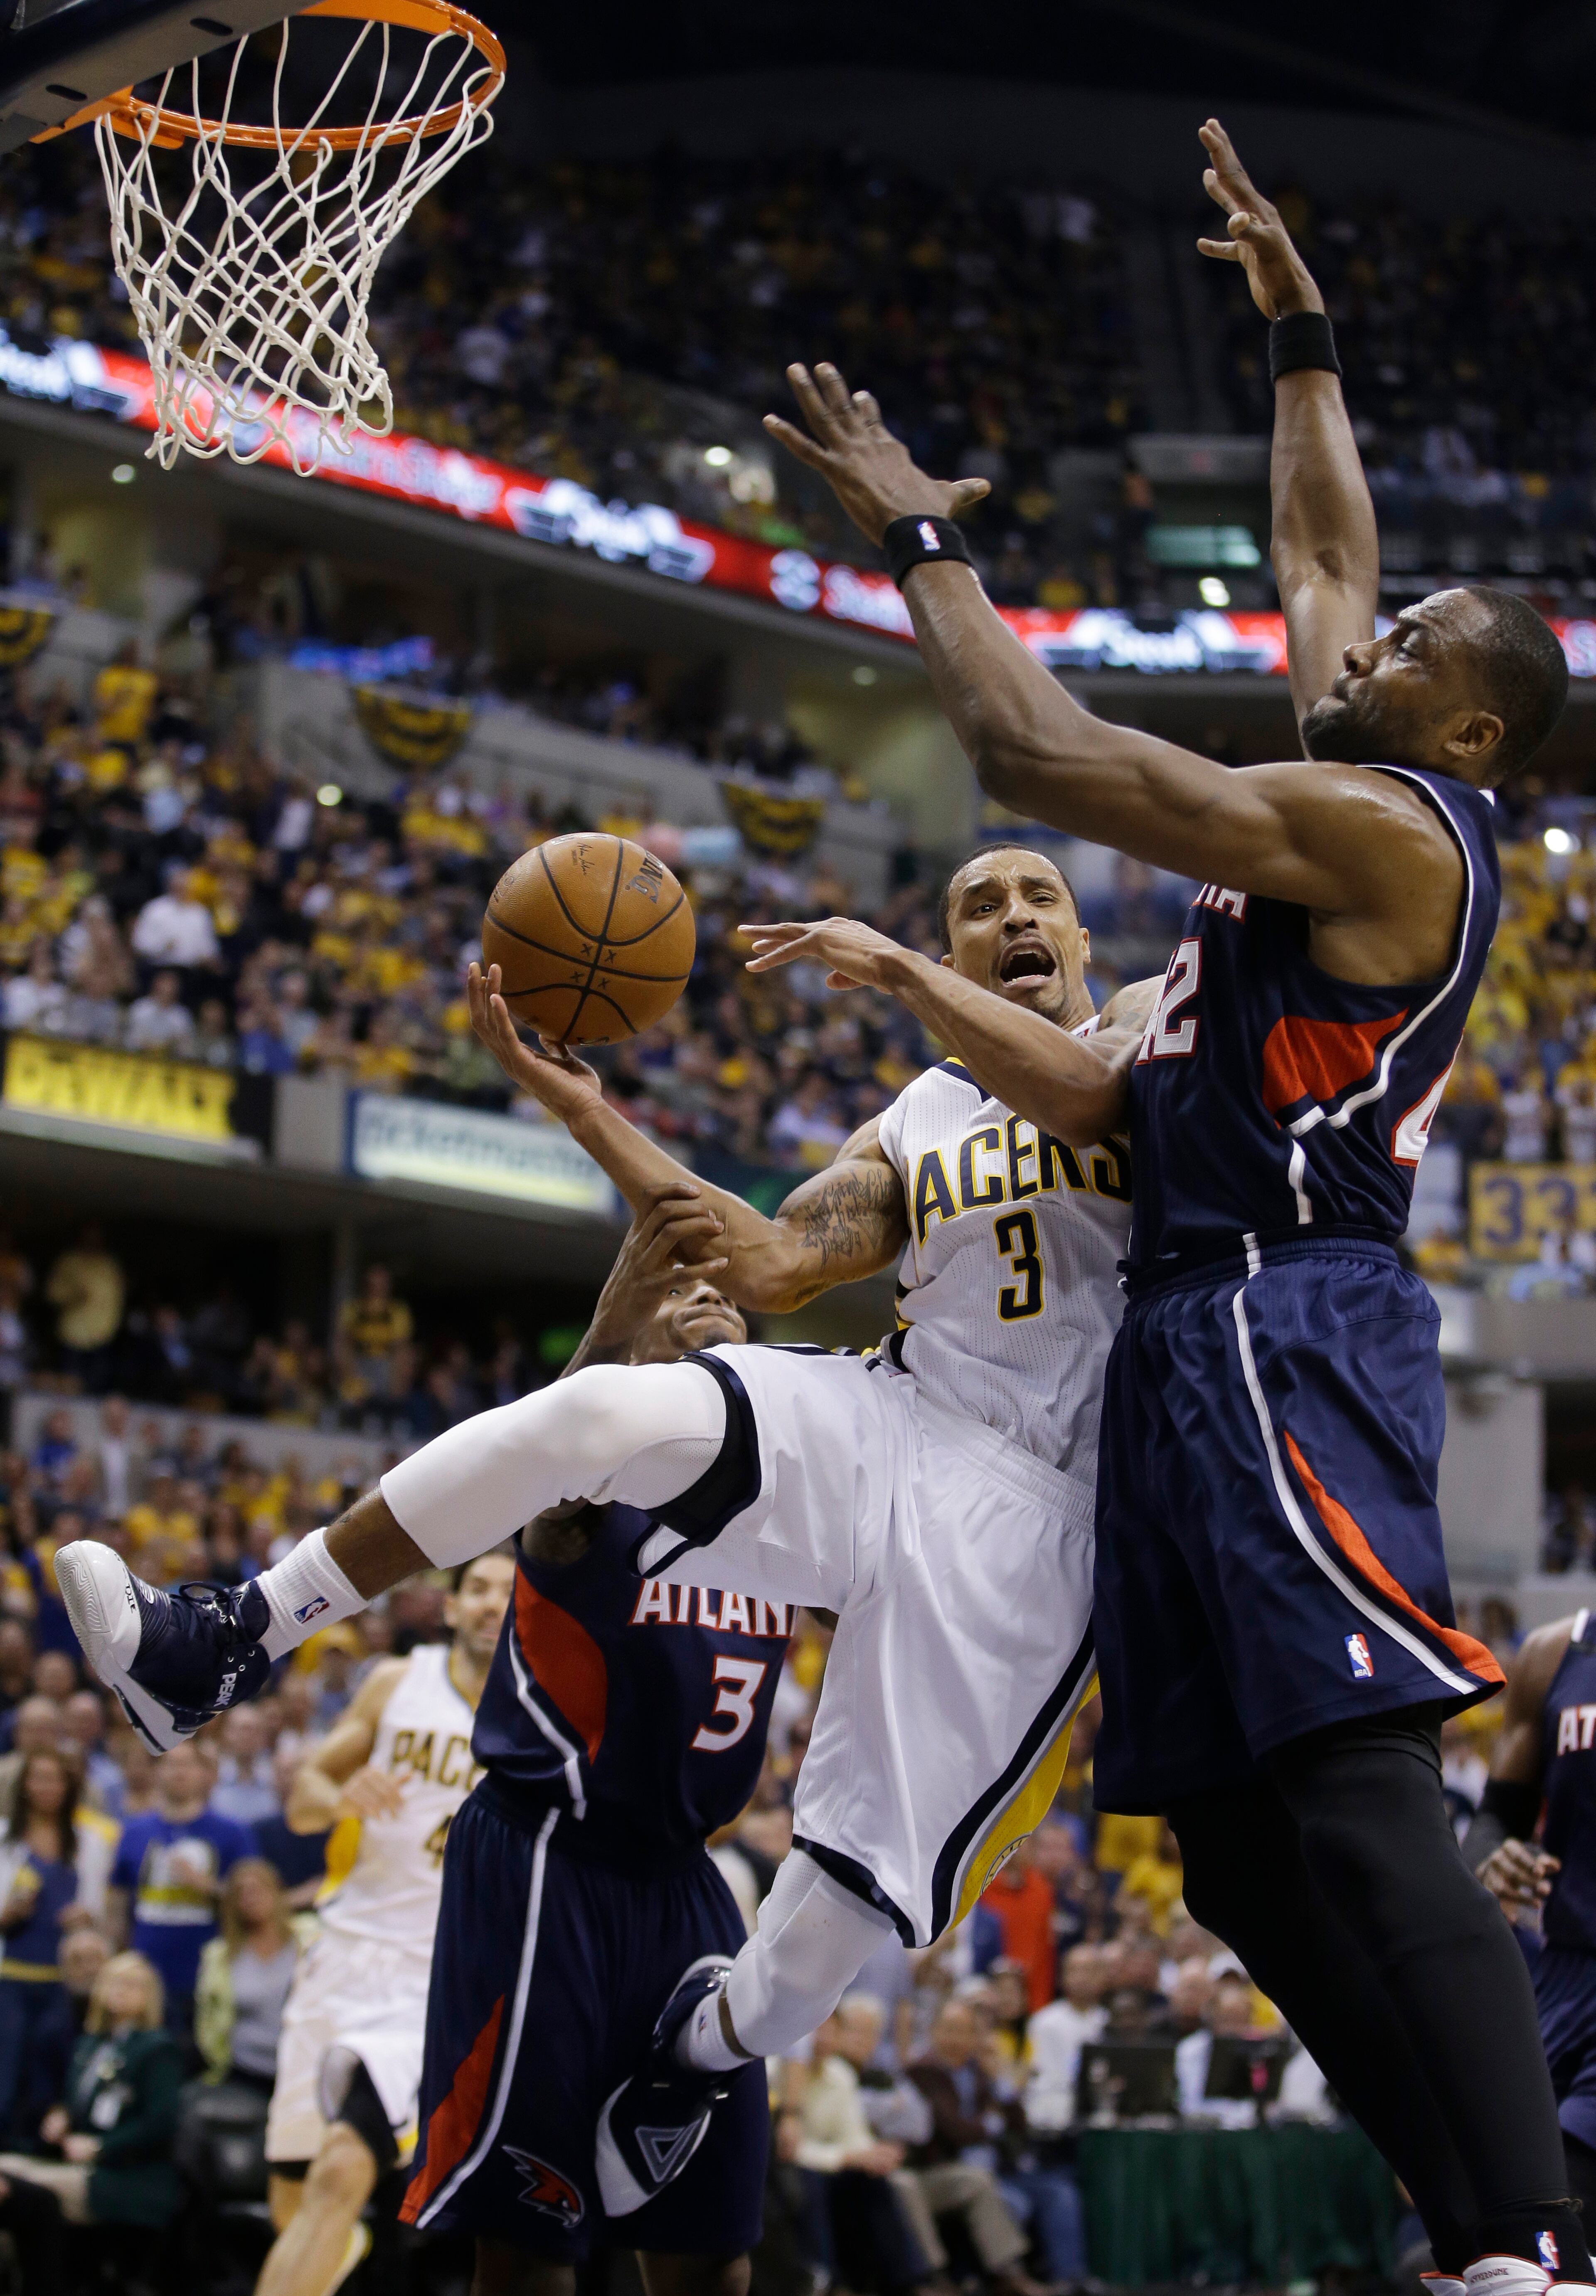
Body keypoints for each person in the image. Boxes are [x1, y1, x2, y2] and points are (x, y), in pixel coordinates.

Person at [747, 119, 1581, 2296]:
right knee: (1223, 1843)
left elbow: (1038, 758)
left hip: (1290, 1318)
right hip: (1186, 1337)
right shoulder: (1353, 780)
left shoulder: (1399, 833)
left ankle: (1535, 2240)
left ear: (1467, 721)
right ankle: (1481, 2229)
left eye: (1410, 645)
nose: (1362, 635)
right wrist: (1300, 332)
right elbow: (1325, 550)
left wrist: (930, 539)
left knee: (1359, 1778)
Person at [61, 845, 1160, 2213]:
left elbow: (1106, 1092)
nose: (1011, 919)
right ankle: (226, 1640)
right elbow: (764, 1262)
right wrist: (585, 1110)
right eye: (977, 906)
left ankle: (702, 2047)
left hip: (1043, 1515)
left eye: (1038, 898)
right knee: (600, 1414)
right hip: (903, 1418)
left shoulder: (1144, 1029)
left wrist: (892, 961)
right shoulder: (919, 1116)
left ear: (1079, 933)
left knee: (844, 1907)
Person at [399, 1201, 793, 2294]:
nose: (711, 1306)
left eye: (726, 1300)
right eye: (685, 1302)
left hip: (685, 1883)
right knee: (531, 2248)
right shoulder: (590, 1496)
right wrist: (626, 1310)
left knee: (713, 2252)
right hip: (545, 1864)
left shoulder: (789, 1513)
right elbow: (550, 1444)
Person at [256, 1549, 515, 2296]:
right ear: (453, 1606)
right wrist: (339, 1793)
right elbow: (304, 1795)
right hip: (341, 1950)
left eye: (508, 1591)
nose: (493, 1602)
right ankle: (339, 2255)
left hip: (438, 1973)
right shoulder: (400, 1681)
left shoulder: (544, 1706)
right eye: (479, 1589)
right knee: (298, 2196)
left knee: (343, 2168)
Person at [1463, 1607, 1596, 2220]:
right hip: (1562, 1980)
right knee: (1496, 2209)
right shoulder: (1551, 1655)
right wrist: (1494, 1858)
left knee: (1562, 2203)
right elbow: (1494, 1819)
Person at [0, 1949, 183, 2283]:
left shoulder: (158, 2049)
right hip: (76, 2163)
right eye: (114, 1983)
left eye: (132, 1985)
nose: (121, 1991)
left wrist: (100, 2147)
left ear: (150, 1995)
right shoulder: (91, 2044)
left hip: (128, 2178)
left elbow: (161, 2123)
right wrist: (62, 2116)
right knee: (6, 2170)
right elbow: (79, 2103)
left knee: (28, 2190)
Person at [902, 1997, 1080, 2290]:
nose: (955, 2039)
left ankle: (1070, 2279)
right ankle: (1007, 2276)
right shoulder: (924, 2071)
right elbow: (954, 2130)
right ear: (933, 2032)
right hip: (947, 2169)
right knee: (1006, 2199)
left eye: (963, 2031)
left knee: (1059, 2191)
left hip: (1002, 2169)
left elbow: (1020, 2125)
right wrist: (991, 2124)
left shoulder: (980, 2069)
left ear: (975, 2036)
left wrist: (1003, 2082)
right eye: (948, 2029)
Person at [108, 1734, 254, 2040]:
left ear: (206, 1774)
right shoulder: (135, 1831)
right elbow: (118, 1902)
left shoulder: (233, 1833)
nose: (179, 1773)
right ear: (157, 1772)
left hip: (209, 1974)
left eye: (188, 1765)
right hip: (147, 1974)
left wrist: (208, 1886)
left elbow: (254, 1900)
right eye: (171, 1765)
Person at [0, 1748, 86, 2141]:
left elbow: (103, 1907)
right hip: (11, 1978)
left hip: (64, 1983)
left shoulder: (88, 1840)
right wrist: (10, 1914)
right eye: (38, 1778)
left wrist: (86, 1920)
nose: (46, 1787)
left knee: (49, 2079)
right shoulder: (4, 1840)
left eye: (55, 1778)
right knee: (6, 2077)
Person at [196, 1857, 305, 2098]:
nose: (249, 1898)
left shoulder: (310, 1938)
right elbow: (208, 2019)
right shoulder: (219, 1955)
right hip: (245, 2071)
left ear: (277, 1892)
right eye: (240, 1893)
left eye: (257, 1890)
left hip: (305, 2067)